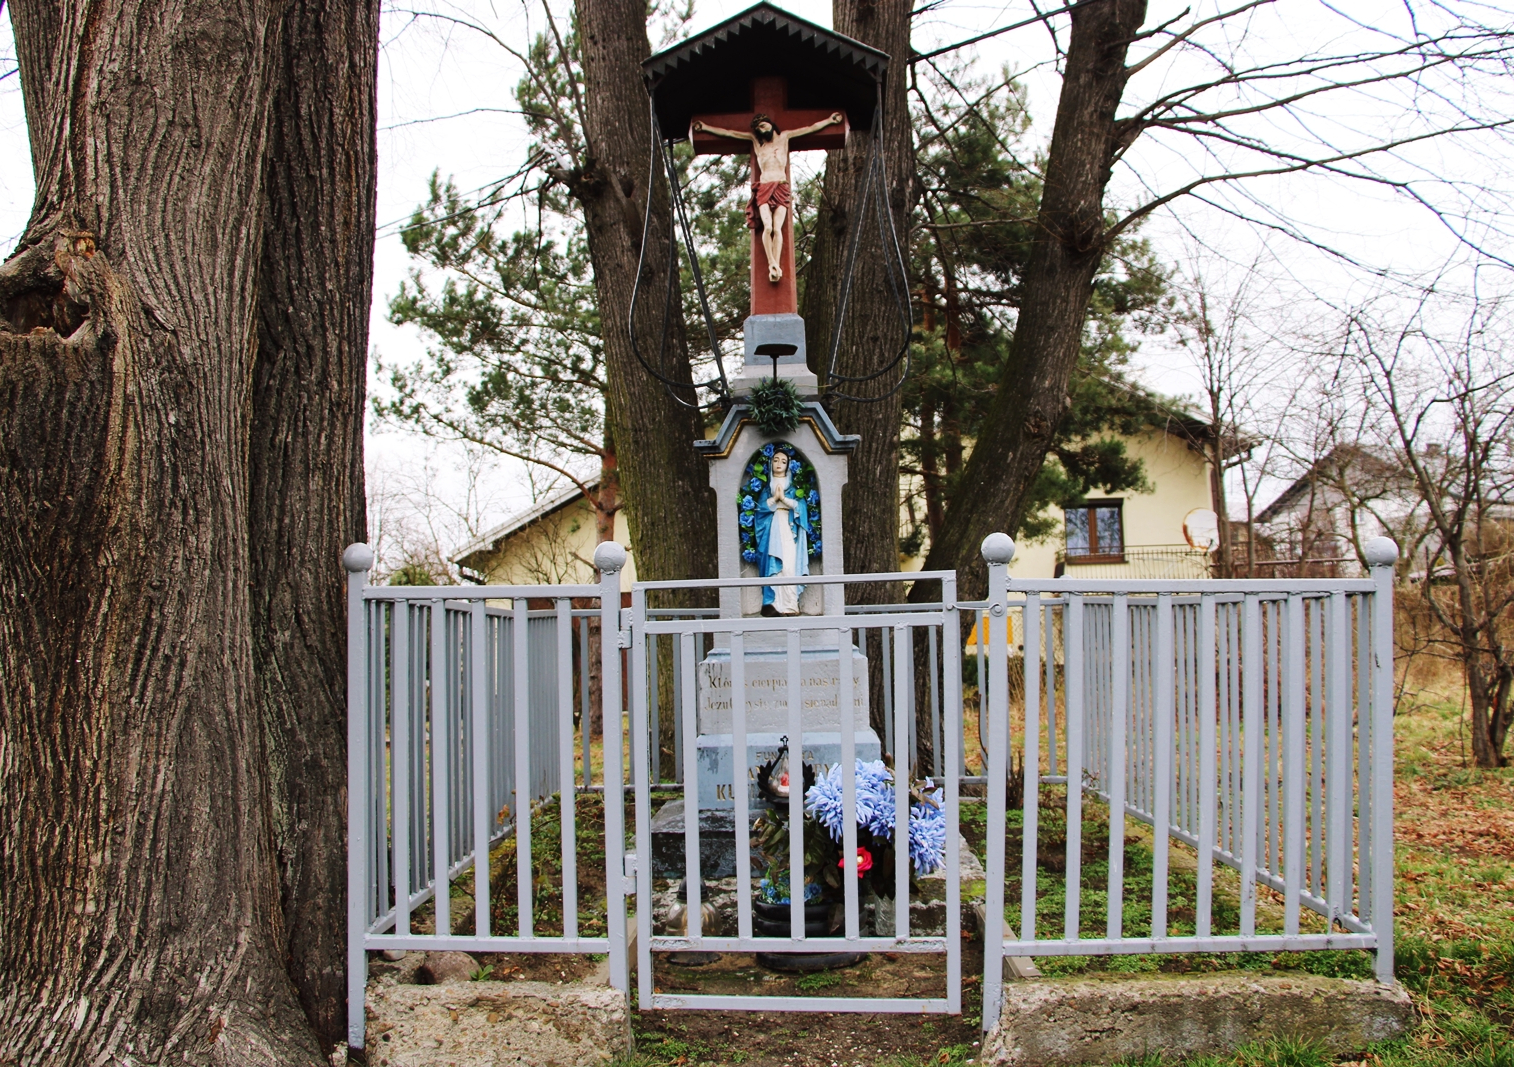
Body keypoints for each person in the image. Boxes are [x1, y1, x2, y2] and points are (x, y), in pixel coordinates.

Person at [692, 111, 845, 283]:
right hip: (764, 187)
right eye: (759, 129)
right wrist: (706, 128)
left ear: (771, 124)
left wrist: (829, 121)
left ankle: (776, 263)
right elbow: (730, 133)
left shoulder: (785, 137)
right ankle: (771, 263)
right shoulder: (758, 144)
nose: (762, 130)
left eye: (763, 126)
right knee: (768, 228)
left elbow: (810, 128)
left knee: (777, 228)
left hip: (781, 186)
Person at [754, 450, 810, 615]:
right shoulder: (767, 488)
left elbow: (801, 508)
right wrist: (774, 499)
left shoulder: (792, 487)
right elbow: (760, 510)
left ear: (788, 465)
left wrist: (783, 499)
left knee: (789, 566)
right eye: (776, 460)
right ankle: (774, 605)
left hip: (788, 529)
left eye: (783, 461)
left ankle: (791, 604)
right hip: (772, 531)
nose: (779, 464)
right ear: (771, 463)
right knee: (774, 567)